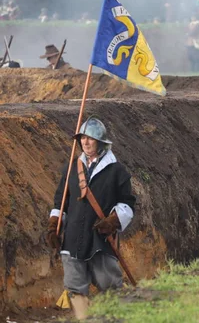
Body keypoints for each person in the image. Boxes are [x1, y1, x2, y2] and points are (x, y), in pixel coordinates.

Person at [46, 117, 135, 320]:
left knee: (109, 285)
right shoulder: (71, 168)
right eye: (83, 138)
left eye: (91, 139)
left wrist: (113, 221)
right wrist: (55, 225)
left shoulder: (117, 172)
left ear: (101, 142)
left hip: (100, 239)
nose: (85, 142)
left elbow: (127, 203)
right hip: (73, 237)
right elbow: (61, 201)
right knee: (75, 287)